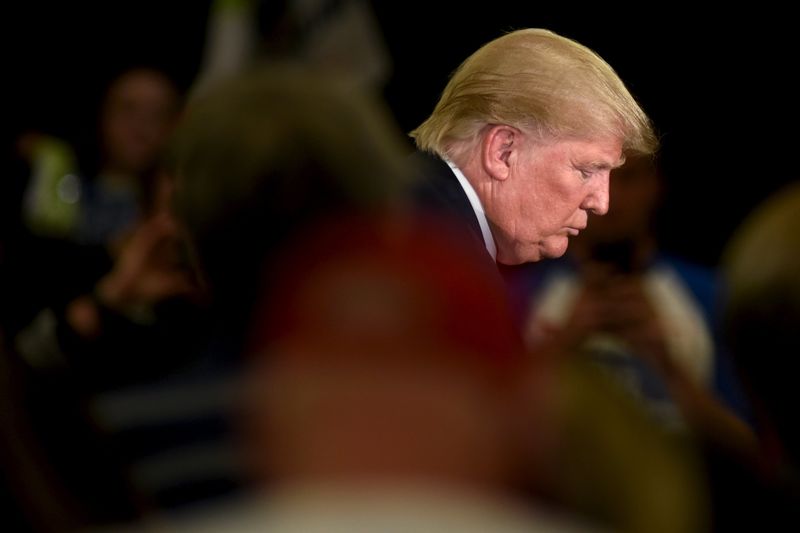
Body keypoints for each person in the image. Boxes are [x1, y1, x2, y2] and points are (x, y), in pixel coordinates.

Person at [410, 28, 657, 267]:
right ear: (503, 152)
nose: (602, 204)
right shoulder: (437, 258)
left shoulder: (429, 220)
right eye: (586, 171)